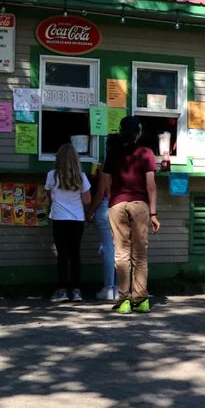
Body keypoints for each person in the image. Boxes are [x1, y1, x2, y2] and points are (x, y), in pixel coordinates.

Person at [101, 116, 160, 314]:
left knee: (121, 253)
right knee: (140, 254)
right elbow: (151, 187)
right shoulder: (147, 153)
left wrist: (113, 199)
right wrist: (153, 213)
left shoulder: (112, 153)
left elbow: (107, 184)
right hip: (140, 204)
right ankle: (141, 300)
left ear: (120, 131)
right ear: (139, 133)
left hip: (117, 204)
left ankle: (124, 300)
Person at [45, 143, 91, 302]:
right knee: (75, 254)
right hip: (77, 219)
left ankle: (62, 289)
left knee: (62, 255)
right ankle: (77, 290)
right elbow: (87, 200)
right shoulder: (81, 177)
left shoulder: (52, 175)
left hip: (59, 218)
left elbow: (49, 195)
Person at [86, 135, 118, 301]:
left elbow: (101, 192)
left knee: (108, 249)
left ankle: (109, 287)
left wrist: (90, 211)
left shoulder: (108, 164)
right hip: (124, 209)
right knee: (121, 251)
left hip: (107, 207)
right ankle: (120, 287)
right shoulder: (129, 164)